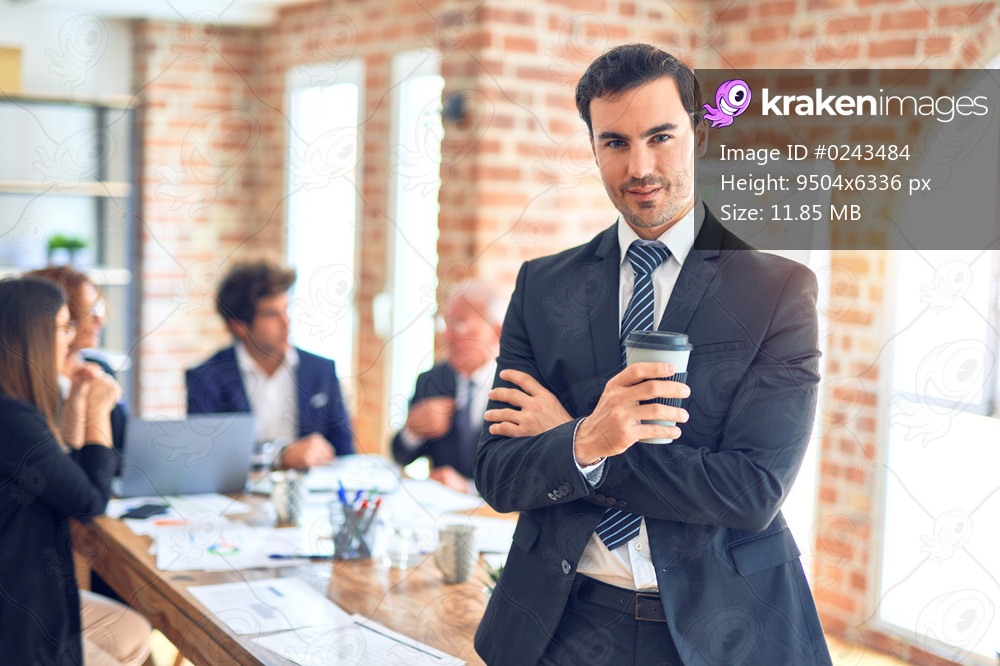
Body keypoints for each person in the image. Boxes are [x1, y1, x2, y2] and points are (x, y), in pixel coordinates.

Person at [473, 44, 832, 665]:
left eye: (660, 136)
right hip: (560, 623)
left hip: (723, 628)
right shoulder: (542, 287)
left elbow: (751, 491)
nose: (640, 166)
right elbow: (500, 473)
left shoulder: (776, 292)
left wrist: (578, 442)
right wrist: (586, 440)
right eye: (614, 142)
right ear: (592, 147)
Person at [0, 277, 151, 665]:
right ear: (32, 336)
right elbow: (88, 502)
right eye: (65, 327)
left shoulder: (15, 412)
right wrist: (99, 410)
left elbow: (61, 474)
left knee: (132, 631)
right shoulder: (10, 418)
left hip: (25, 589)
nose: (73, 338)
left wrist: (80, 408)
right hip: (19, 617)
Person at [186, 258, 354, 469]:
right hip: (234, 497)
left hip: (309, 496)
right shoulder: (206, 378)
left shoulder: (321, 371)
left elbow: (345, 453)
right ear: (238, 325)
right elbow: (207, 458)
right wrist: (279, 456)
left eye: (287, 309)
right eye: (272, 314)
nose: (286, 322)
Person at [391, 282, 502, 493]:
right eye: (446, 324)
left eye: (461, 325)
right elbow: (399, 454)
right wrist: (412, 432)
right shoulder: (431, 380)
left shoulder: (518, 387)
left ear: (497, 331)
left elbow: (529, 477)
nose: (448, 336)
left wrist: (468, 489)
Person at [26, 266, 128, 460]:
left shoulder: (100, 369)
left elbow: (125, 447)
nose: (102, 319)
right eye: (91, 310)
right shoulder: (27, 382)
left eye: (100, 308)